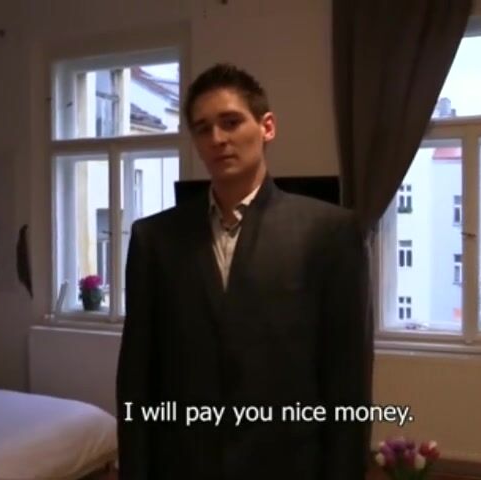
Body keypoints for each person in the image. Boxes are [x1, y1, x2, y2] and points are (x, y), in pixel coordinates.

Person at [116, 63, 372, 480]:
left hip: (288, 462)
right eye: (203, 129)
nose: (217, 139)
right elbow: (137, 377)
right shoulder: (156, 239)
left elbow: (347, 378)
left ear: (267, 127)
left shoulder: (329, 233)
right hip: (184, 462)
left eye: (231, 122)